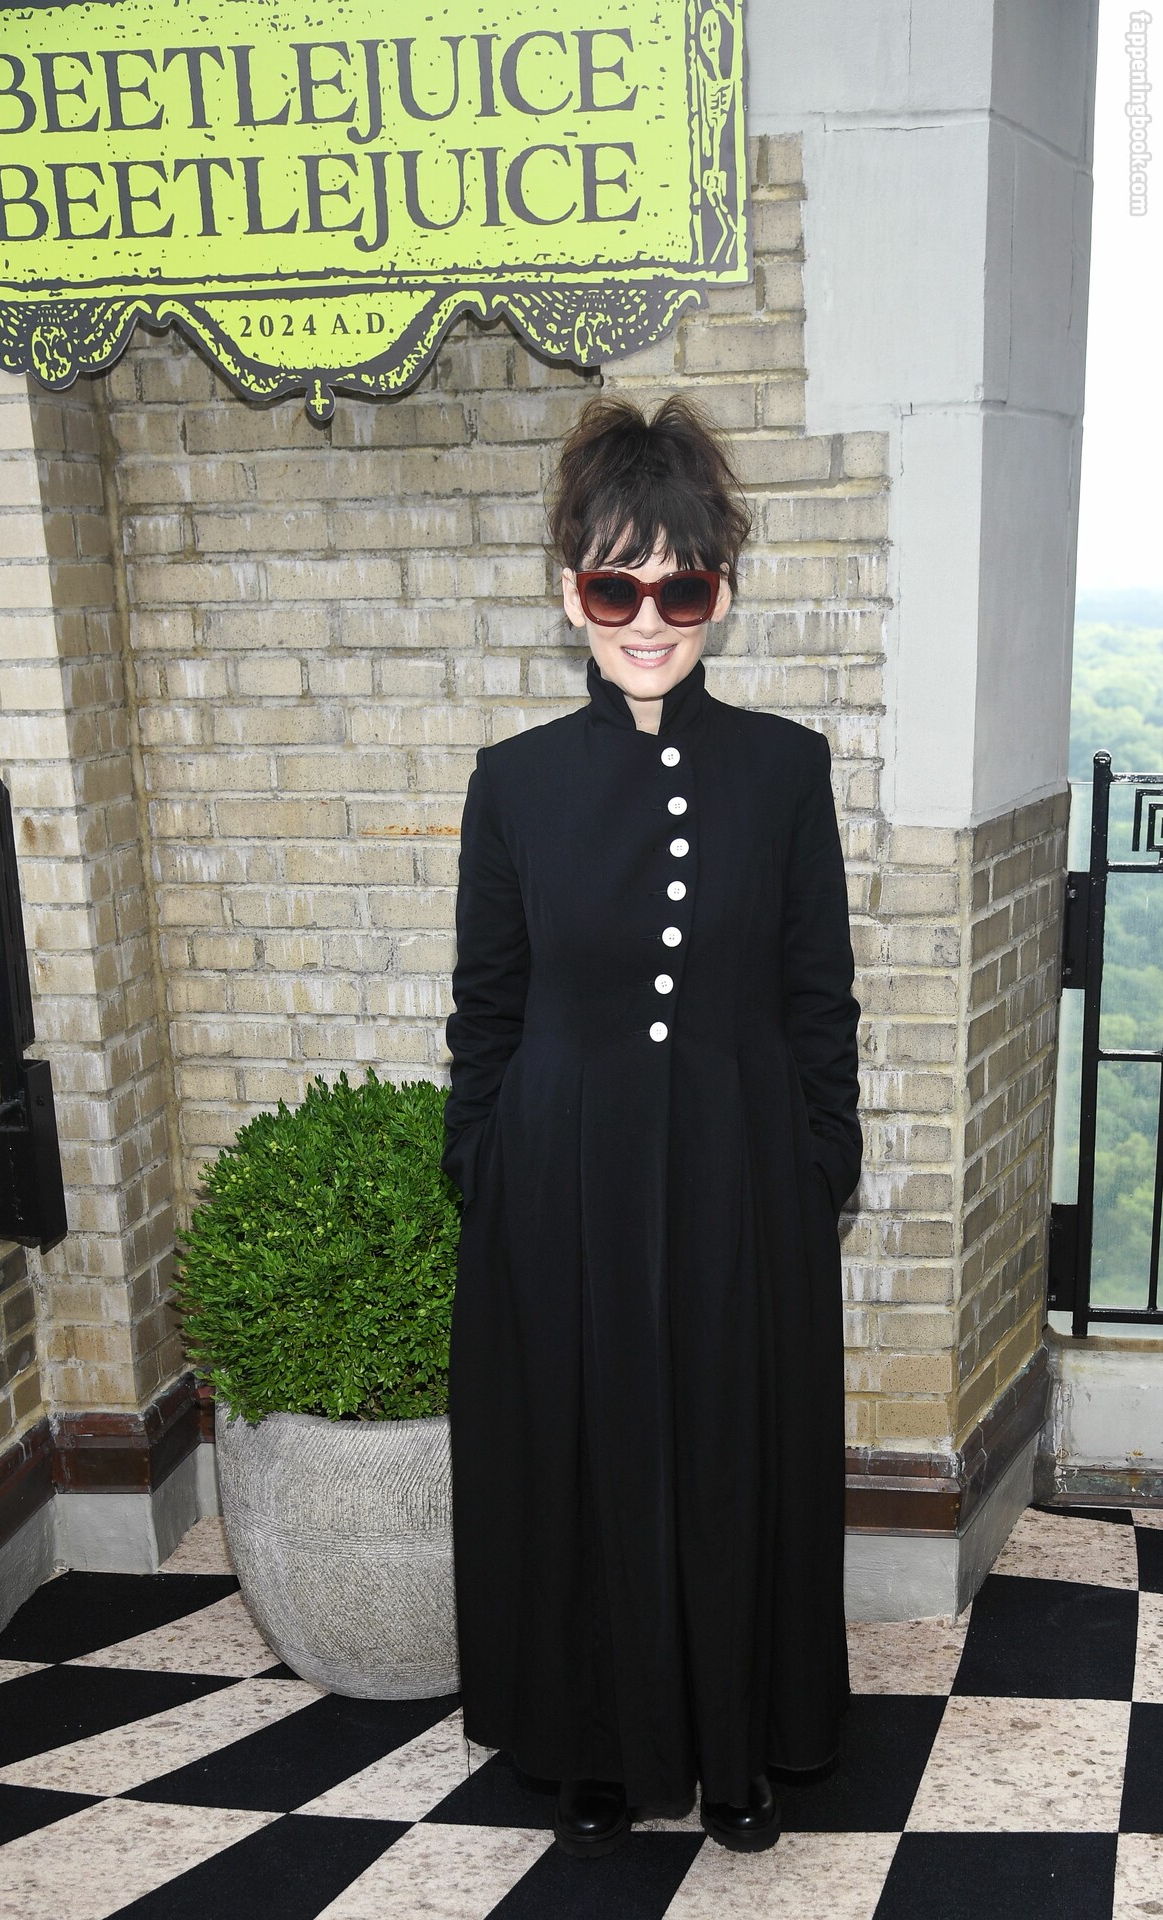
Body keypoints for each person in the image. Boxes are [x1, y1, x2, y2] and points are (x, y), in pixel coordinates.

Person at [440, 392, 863, 1859]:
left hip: (741, 1175)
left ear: (718, 598)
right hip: (563, 1183)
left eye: (680, 589)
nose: (648, 619)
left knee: (730, 1456)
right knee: (586, 1458)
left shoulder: (785, 769)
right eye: (617, 586)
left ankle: (738, 1750)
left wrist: (818, 1164)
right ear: (573, 594)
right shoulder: (514, 784)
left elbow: (820, 995)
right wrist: (485, 1168)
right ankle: (597, 1752)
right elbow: (486, 1008)